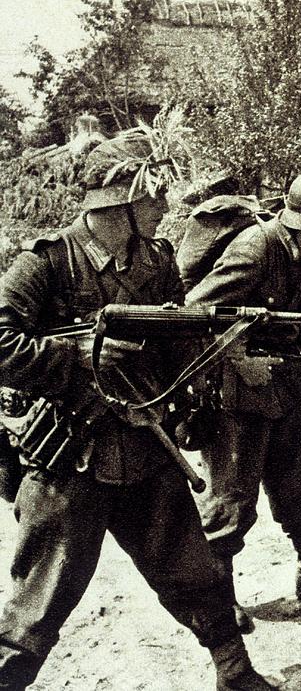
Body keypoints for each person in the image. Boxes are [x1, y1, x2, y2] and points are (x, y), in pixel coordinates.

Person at [0, 130, 273, 691]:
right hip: (72, 455)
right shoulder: (49, 264)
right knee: (40, 600)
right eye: (154, 196)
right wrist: (73, 353)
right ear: (119, 200)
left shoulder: (157, 260)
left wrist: (221, 346)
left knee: (194, 571)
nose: (167, 207)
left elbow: (176, 341)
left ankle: (235, 672)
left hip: (146, 447)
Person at [186, 169, 301, 609]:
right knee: (231, 500)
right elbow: (194, 315)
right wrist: (238, 359)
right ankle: (218, 599)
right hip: (234, 392)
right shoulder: (256, 249)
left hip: (282, 388)